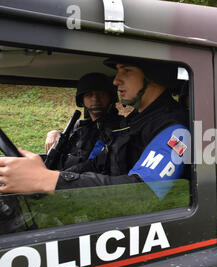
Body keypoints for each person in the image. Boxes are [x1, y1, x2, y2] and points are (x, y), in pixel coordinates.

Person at [0, 58, 189, 199]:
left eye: (127, 71)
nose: (116, 80)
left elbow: (143, 193)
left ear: (154, 76)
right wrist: (55, 174)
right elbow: (101, 161)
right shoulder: (135, 120)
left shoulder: (175, 127)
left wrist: (48, 181)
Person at [45, 72, 123, 170]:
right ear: (82, 100)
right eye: (89, 95)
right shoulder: (80, 127)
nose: (95, 99)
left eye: (101, 94)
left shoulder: (120, 129)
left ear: (110, 98)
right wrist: (53, 133)